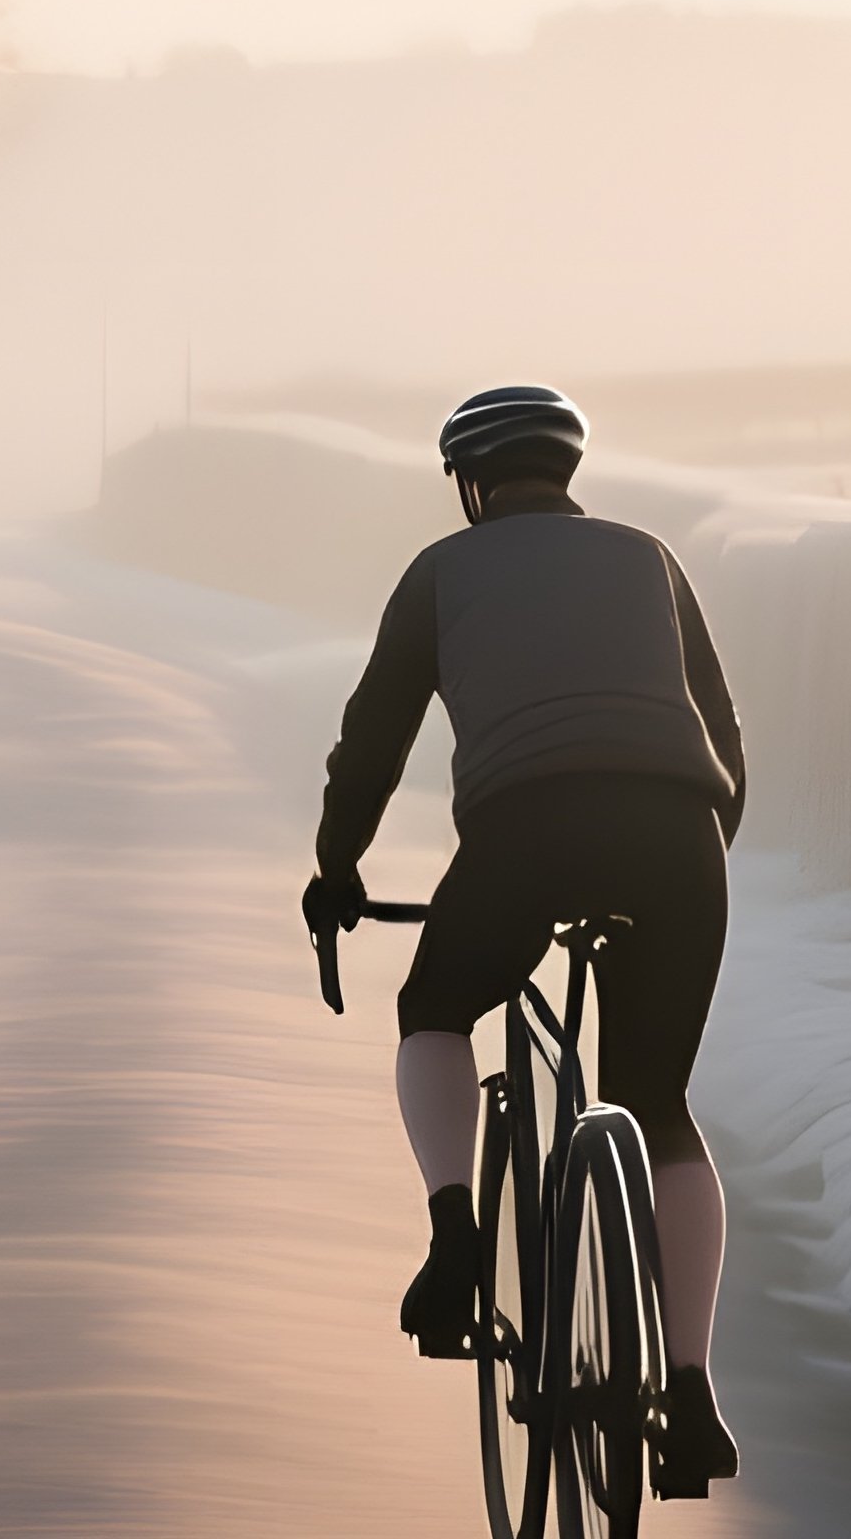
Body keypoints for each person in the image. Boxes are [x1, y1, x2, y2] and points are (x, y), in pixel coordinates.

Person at [303, 383, 743, 1496]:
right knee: (660, 1104)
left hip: (525, 835)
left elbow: (372, 744)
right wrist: (697, 854)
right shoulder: (649, 556)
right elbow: (725, 740)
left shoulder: (440, 574)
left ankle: (457, 1240)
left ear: (470, 485)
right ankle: (690, 1396)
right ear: (568, 471)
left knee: (437, 1009)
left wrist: (338, 869)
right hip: (679, 838)